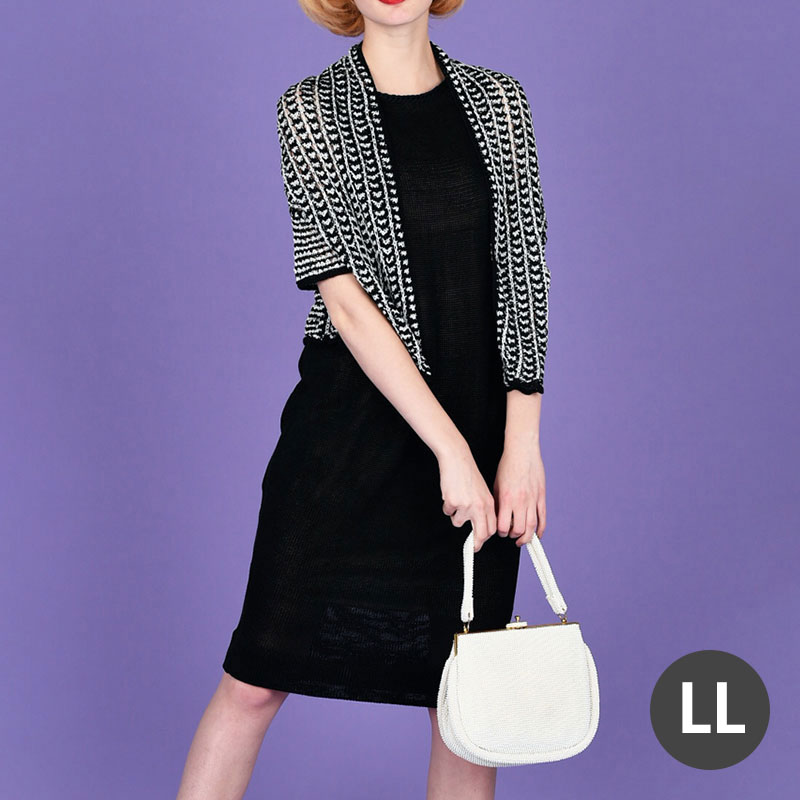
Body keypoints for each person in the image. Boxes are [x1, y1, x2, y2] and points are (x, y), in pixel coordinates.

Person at [176, 1, 551, 797]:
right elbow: (344, 303)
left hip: (483, 432)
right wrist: (450, 451)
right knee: (253, 683)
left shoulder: (501, 103)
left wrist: (521, 445)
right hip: (348, 440)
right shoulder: (309, 110)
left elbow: (525, 272)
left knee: (466, 705)